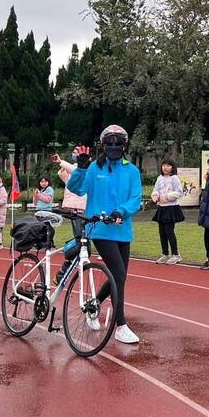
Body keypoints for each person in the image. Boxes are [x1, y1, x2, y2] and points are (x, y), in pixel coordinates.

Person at [67, 124, 142, 344]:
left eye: (118, 142)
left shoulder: (132, 171)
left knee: (119, 277)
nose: (114, 146)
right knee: (118, 274)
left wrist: (122, 210)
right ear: (103, 145)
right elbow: (77, 189)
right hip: (99, 229)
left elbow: (136, 199)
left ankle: (94, 305)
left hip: (122, 230)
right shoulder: (94, 168)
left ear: (124, 145)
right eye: (109, 142)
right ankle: (120, 325)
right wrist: (80, 167)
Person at [52, 151, 88, 284]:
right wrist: (62, 164)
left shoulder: (84, 170)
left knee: (84, 242)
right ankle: (63, 271)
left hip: (84, 209)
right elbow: (64, 173)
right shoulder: (73, 171)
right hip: (75, 209)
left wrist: (62, 162)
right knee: (81, 242)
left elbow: (76, 170)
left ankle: (66, 269)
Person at [151, 158, 185, 265]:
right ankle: (165, 254)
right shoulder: (159, 178)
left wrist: (167, 196)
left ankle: (176, 255)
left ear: (172, 168)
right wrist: (155, 195)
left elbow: (179, 192)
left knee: (169, 232)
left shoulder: (174, 178)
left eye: (168, 165)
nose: (165, 167)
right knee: (162, 232)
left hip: (171, 208)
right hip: (161, 208)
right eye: (164, 165)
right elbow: (156, 190)